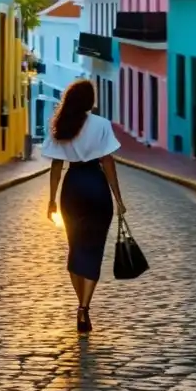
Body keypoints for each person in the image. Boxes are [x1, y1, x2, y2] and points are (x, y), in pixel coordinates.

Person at [42, 79, 126, 335]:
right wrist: (119, 199)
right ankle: (84, 307)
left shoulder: (61, 125)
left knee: (76, 246)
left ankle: (81, 305)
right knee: (94, 247)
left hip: (73, 186)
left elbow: (56, 166)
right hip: (96, 186)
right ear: (90, 100)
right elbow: (108, 162)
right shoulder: (101, 125)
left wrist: (52, 199)